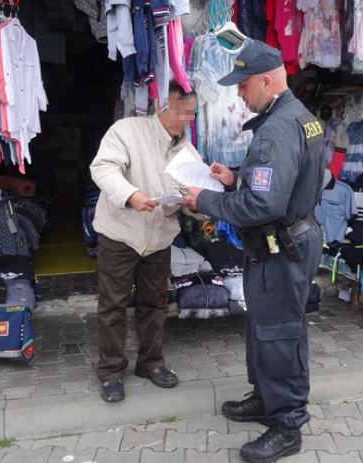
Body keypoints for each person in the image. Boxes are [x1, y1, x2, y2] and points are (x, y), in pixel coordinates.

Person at [182, 40, 326, 463]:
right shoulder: (299, 118)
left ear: (267, 80)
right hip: (286, 242)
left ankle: (287, 424)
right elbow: (292, 176)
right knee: (265, 325)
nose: (239, 95)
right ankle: (266, 398)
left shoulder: (276, 129)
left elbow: (264, 204)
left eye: (243, 86)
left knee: (279, 332)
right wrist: (235, 178)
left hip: (282, 246)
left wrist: (203, 201)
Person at [89, 80, 198, 403]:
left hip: (159, 238)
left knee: (155, 304)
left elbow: (189, 194)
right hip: (120, 233)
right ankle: (110, 372)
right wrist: (130, 194)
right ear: (164, 107)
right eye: (185, 113)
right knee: (113, 305)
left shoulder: (187, 150)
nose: (189, 121)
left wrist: (195, 205)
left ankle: (150, 363)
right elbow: (103, 168)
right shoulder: (126, 130)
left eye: (193, 114)